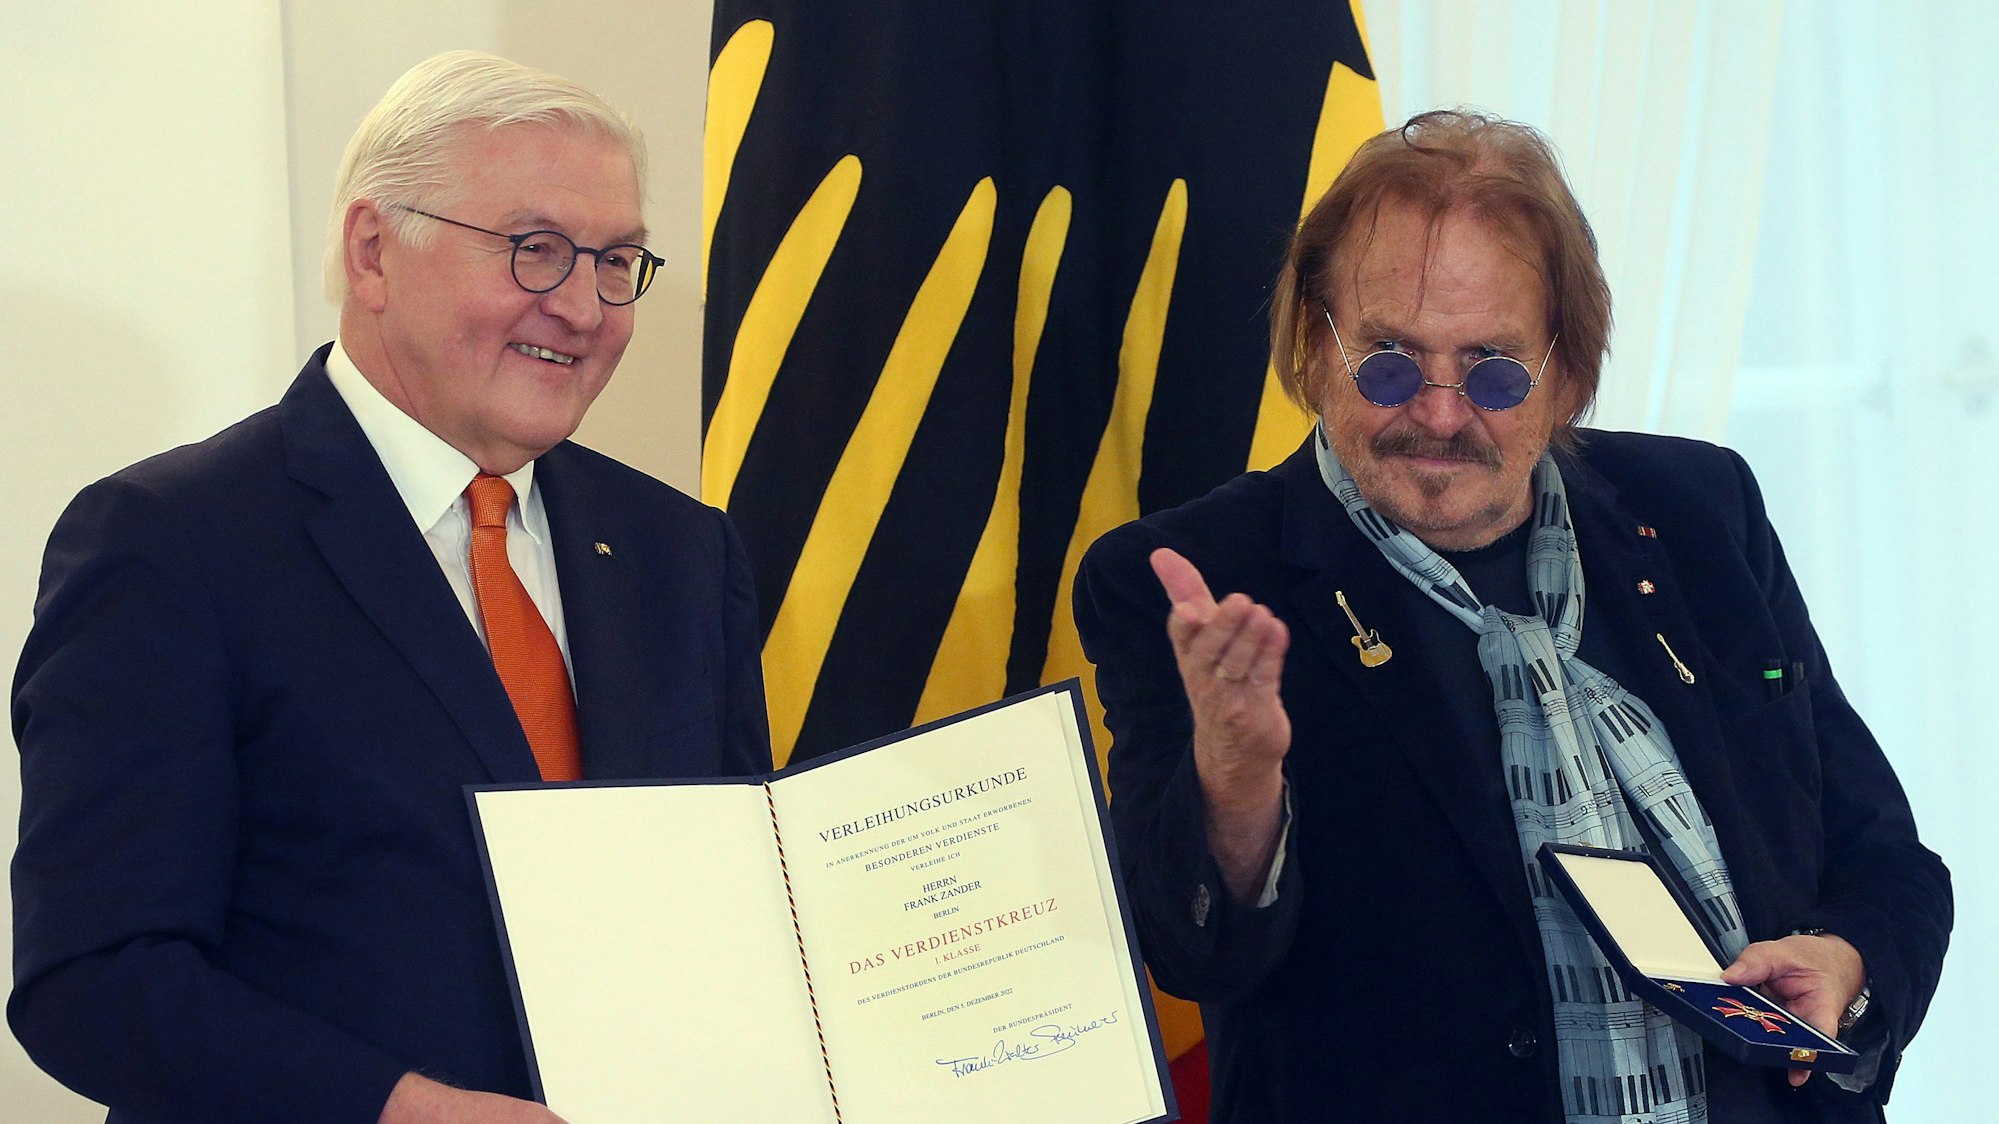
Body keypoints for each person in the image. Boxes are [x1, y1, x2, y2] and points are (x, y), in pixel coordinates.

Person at [1074, 110, 1950, 1122]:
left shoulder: (1699, 509)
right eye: (1389, 362)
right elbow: (1194, 949)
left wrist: (1845, 960)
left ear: (1566, 373)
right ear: (1315, 347)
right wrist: (1234, 781)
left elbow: (1885, 857)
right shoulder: (1193, 578)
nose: (1438, 414)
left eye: (1491, 369)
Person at [10, 52, 770, 1123]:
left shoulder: (681, 551)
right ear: (374, 252)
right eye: (536, 250)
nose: (586, 308)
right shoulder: (171, 542)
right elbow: (95, 977)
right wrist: (398, 1108)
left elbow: (734, 906)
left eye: (615, 261)